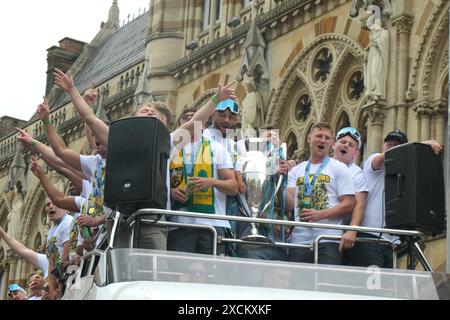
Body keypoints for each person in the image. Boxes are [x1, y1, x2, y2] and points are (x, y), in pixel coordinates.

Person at [353, 130, 443, 268]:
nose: (391, 148)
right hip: (369, 235)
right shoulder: (374, 159)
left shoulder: (405, 173)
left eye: (396, 145)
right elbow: (382, 159)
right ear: (383, 146)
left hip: (390, 241)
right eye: (388, 144)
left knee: (386, 286)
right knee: (372, 286)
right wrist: (423, 145)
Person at [286, 122, 355, 265]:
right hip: (299, 240)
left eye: (327, 138)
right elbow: (290, 204)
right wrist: (278, 180)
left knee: (326, 284)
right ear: (309, 138)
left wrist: (320, 214)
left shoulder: (339, 168)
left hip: (328, 238)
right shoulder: (296, 170)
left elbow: (349, 204)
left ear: (332, 144)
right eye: (319, 136)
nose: (323, 140)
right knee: (299, 286)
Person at [332, 127, 369, 263]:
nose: (346, 145)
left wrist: (352, 230)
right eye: (342, 142)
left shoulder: (357, 174)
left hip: (335, 236)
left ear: (356, 152)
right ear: (334, 144)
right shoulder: (320, 166)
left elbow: (360, 204)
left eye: (351, 144)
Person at [364, 18, 389, 101]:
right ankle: (372, 91)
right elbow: (368, 47)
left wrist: (375, 41)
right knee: (372, 73)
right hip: (372, 55)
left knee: (376, 72)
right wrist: (365, 53)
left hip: (378, 55)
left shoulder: (384, 32)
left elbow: (384, 41)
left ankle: (378, 91)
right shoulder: (373, 34)